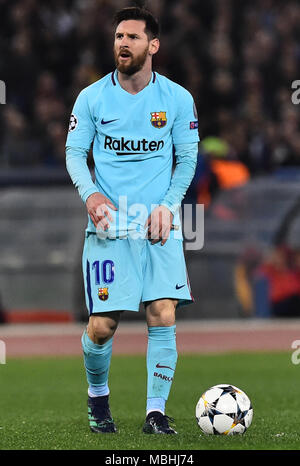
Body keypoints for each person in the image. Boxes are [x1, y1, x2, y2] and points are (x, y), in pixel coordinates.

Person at [65, 5, 199, 435]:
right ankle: (98, 399)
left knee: (162, 313)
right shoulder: (91, 98)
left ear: (153, 45)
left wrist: (168, 205)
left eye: (133, 37)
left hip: (159, 225)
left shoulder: (177, 99)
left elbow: (187, 158)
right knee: (102, 327)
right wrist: (91, 195)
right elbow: (73, 154)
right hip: (109, 228)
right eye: (119, 36)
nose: (123, 43)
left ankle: (155, 414)